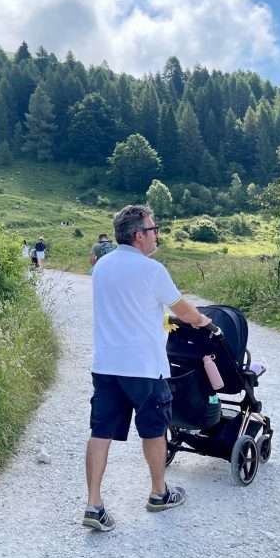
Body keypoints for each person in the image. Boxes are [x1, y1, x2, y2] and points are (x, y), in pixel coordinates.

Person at [82, 204, 212, 532]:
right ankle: (159, 493)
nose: (157, 235)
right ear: (139, 235)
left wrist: (158, 319)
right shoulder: (152, 270)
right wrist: (202, 320)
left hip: (107, 365)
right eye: (154, 229)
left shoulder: (102, 266)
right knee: (154, 429)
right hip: (144, 367)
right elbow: (186, 312)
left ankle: (93, 504)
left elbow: (127, 307)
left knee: (101, 432)